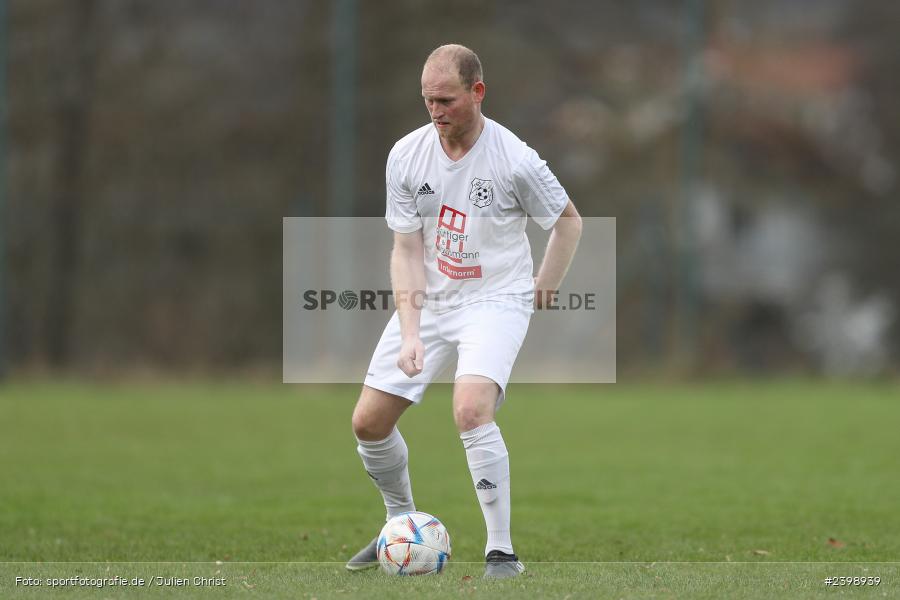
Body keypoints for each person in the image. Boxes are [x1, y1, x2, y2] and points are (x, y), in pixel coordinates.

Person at [345, 44, 582, 579]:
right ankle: (400, 526)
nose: (435, 111)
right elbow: (406, 250)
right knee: (368, 422)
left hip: (496, 299)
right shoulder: (406, 155)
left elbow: (568, 220)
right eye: (427, 100)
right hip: (431, 299)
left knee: (471, 409)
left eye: (446, 99)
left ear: (478, 92)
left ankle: (501, 550)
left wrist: (544, 285)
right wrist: (410, 331)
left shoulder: (516, 159)